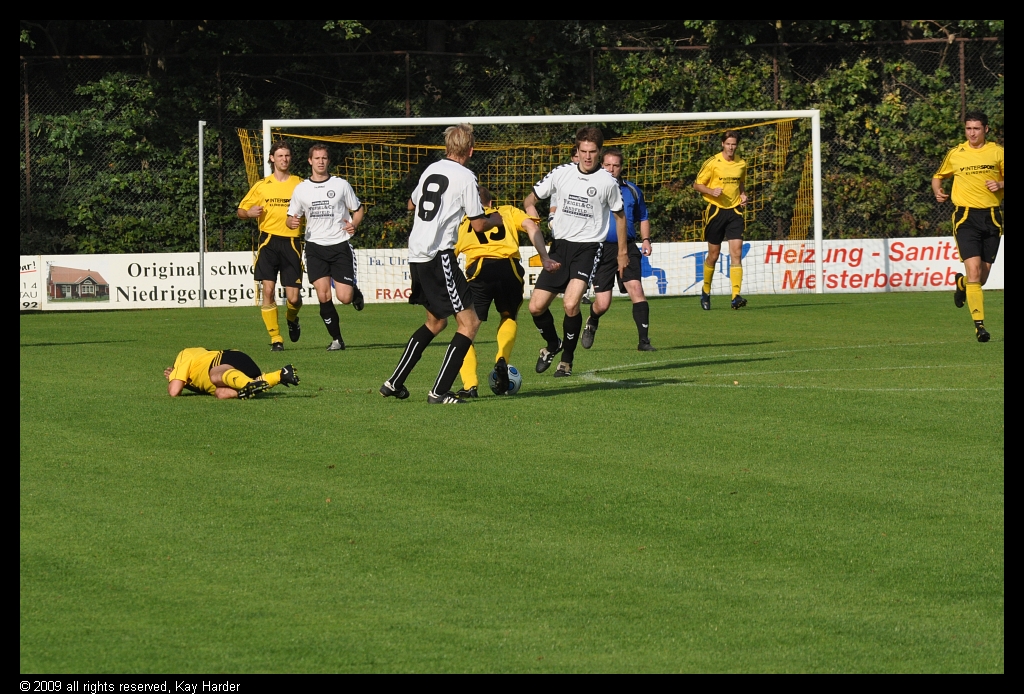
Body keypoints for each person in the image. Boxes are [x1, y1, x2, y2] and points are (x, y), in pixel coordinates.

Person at [379, 123, 503, 404]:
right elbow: (479, 224)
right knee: (469, 323)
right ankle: (439, 391)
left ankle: (394, 382)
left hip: (417, 254)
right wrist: (496, 218)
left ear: (447, 147)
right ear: (471, 150)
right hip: (439, 256)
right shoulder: (466, 177)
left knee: (435, 322)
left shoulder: (430, 170)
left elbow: (411, 205)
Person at [524, 126, 628, 378]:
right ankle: (553, 344)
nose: (588, 156)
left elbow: (620, 216)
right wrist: (531, 210)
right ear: (577, 150)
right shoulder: (561, 173)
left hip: (588, 249)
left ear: (599, 152)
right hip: (559, 248)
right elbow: (530, 199)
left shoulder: (607, 181)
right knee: (535, 308)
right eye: (583, 151)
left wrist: (622, 252)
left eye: (593, 152)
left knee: (571, 303)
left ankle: (566, 361)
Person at [453, 187, 560, 398]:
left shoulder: (464, 221)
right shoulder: (508, 211)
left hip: (479, 270)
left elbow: (449, 251)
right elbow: (531, 225)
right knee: (508, 316)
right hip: (509, 268)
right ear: (491, 204)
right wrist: (544, 256)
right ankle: (502, 358)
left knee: (466, 328)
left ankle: (470, 386)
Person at [932, 111, 1004, 343]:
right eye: (968, 129)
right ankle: (979, 327)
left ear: (986, 129)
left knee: (980, 278)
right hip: (965, 218)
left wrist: (1000, 183)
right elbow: (938, 176)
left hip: (992, 217)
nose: (972, 133)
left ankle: (961, 284)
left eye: (976, 128)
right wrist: (937, 191)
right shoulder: (956, 153)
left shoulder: (997, 152)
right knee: (973, 271)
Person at [286, 144, 365, 351]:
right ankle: (337, 339)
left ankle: (354, 293)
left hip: (339, 245)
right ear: (310, 161)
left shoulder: (341, 185)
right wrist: (291, 223)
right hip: (315, 247)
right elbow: (291, 216)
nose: (321, 161)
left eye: (324, 158)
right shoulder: (302, 189)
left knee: (344, 297)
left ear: (328, 161)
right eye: (317, 158)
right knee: (323, 295)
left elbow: (358, 209)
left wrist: (354, 224)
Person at [581, 148, 656, 352]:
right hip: (601, 249)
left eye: (615, 165)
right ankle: (593, 319)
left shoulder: (632, 190)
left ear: (621, 168)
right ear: (601, 165)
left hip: (628, 247)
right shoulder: (591, 189)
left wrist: (646, 240)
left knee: (636, 290)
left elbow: (643, 217)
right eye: (607, 165)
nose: (611, 169)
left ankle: (644, 341)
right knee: (603, 303)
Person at [237, 142, 304, 351]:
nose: (284, 159)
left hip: (292, 242)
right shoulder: (262, 185)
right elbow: (241, 209)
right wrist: (248, 213)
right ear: (272, 158)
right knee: (268, 289)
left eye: (287, 155)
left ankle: (292, 318)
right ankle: (276, 338)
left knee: (293, 297)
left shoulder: (300, 184)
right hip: (268, 241)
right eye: (280, 155)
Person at [694, 130, 748, 310]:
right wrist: (711, 191)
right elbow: (697, 184)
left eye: (734, 144)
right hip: (716, 211)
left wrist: (742, 194)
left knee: (737, 252)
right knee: (714, 255)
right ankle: (706, 291)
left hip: (734, 211)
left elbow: (740, 182)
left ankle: (735, 296)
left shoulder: (741, 163)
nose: (731, 147)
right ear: (722, 144)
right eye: (728, 144)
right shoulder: (713, 162)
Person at [164, 348, 299, 399]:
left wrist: (172, 377)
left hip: (229, 357)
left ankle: (250, 383)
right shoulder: (193, 380)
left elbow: (174, 391)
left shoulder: (184, 354)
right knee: (221, 394)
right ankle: (279, 375)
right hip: (236, 374)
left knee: (215, 375)